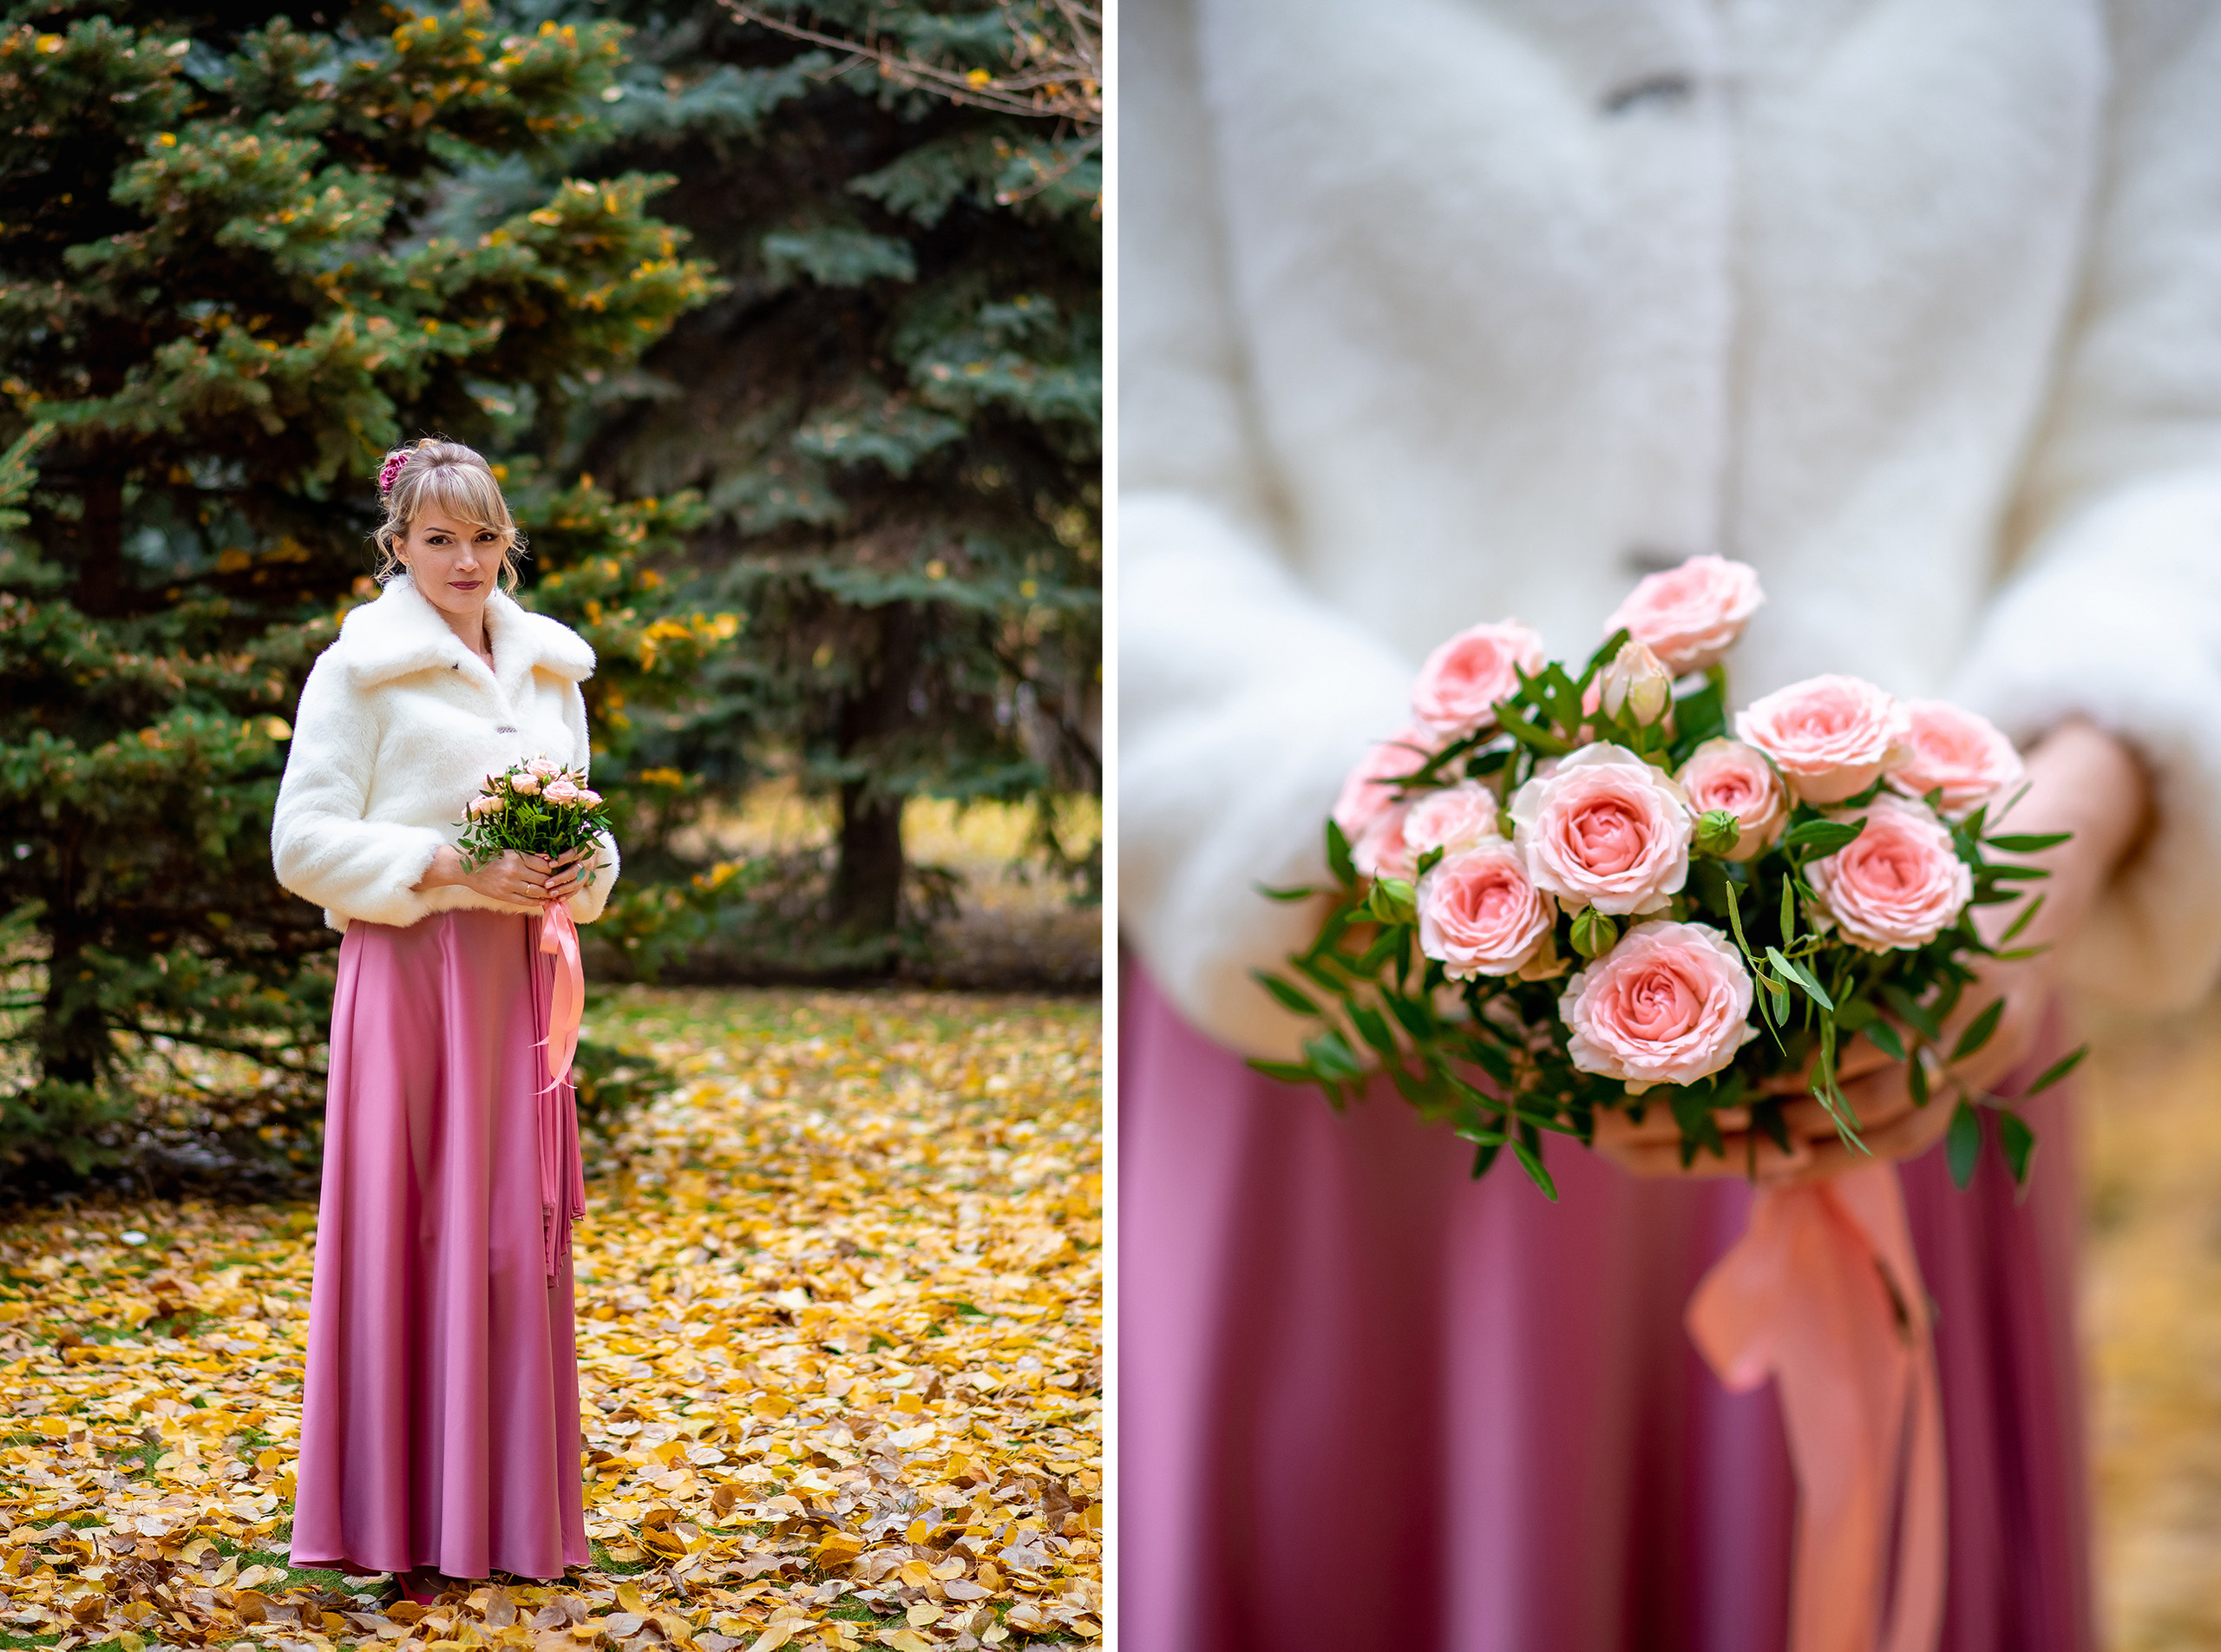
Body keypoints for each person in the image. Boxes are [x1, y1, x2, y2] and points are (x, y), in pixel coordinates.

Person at [1119, 3, 2221, 1648]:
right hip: (1346, 1056)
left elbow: (2179, 446)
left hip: (1916, 1046)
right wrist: (1413, 850)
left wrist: (2047, 839)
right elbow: (1144, 489)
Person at [272, 439, 619, 1601]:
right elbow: (304, 845)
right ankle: (391, 1523)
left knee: (512, 1244)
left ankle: (510, 1519)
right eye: (438, 539)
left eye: (482, 536)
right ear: (398, 547)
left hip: (522, 985)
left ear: (505, 540)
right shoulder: (356, 671)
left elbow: (593, 830)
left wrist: (580, 860)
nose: (464, 559)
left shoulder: (552, 671)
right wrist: (456, 869)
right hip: (413, 983)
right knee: (411, 1231)